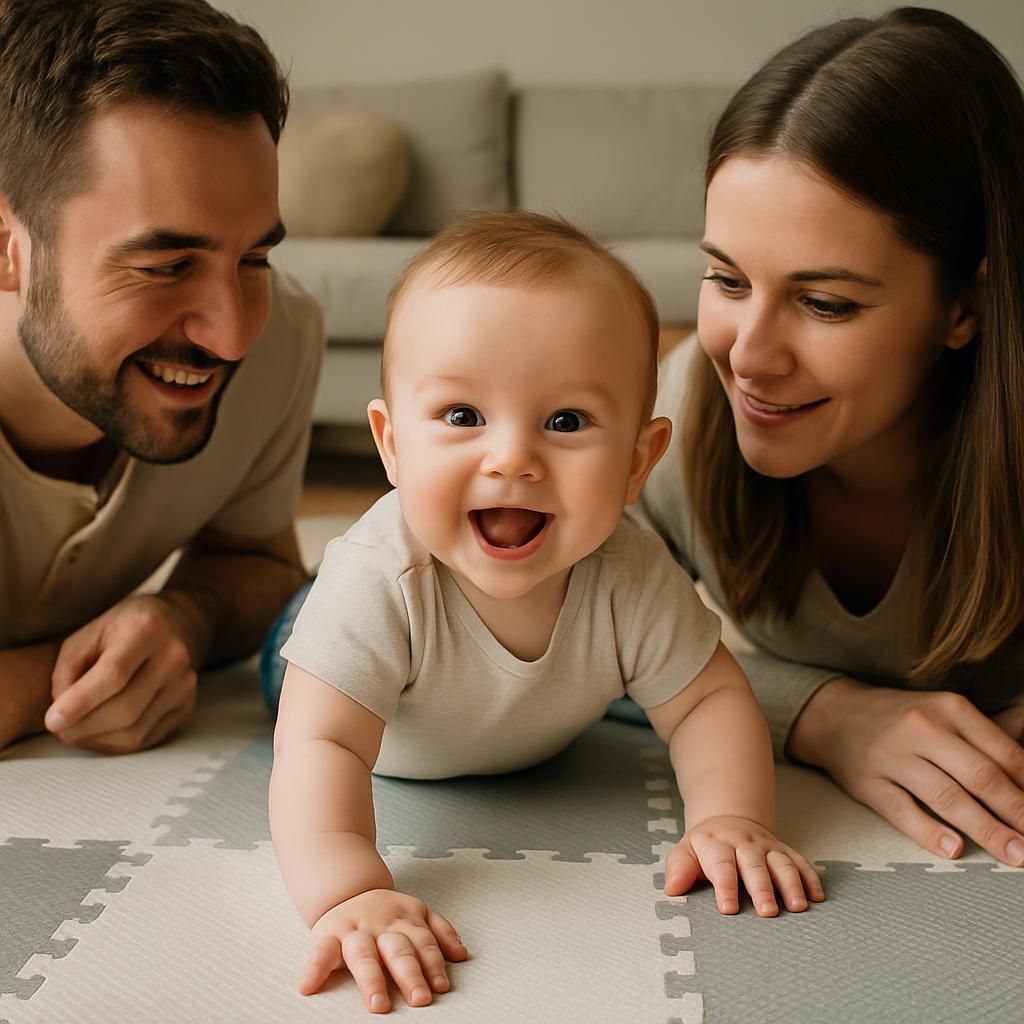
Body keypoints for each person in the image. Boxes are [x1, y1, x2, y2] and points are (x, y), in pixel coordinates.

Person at [269, 212, 824, 1014]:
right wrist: (347, 890)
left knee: (681, 679)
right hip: (315, 652)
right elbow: (319, 742)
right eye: (462, 416)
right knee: (302, 688)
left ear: (638, 461)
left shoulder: (629, 571)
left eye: (565, 422)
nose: (512, 458)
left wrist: (732, 816)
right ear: (391, 447)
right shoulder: (378, 581)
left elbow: (707, 699)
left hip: (509, 720)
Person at [638, 6, 1024, 870]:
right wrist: (820, 712)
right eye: (726, 280)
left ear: (968, 305)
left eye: (826, 304)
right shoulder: (681, 408)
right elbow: (553, 644)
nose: (747, 355)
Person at [0, 0, 324, 754]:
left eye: (254, 260)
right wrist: (46, 677)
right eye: (166, 266)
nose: (235, 332)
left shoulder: (283, 336)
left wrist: (184, 616)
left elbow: (262, 564)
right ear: (8, 248)